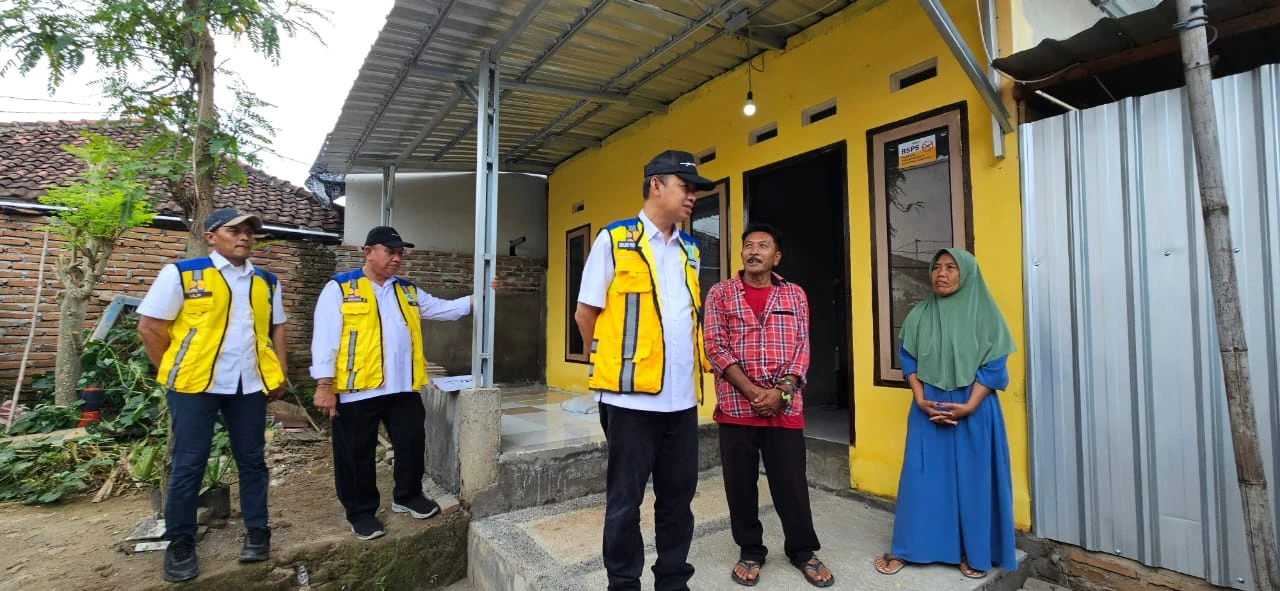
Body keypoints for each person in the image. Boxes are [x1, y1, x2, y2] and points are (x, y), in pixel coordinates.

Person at [574, 149, 714, 591]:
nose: (692, 197)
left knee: (678, 500)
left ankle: (672, 580)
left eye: (695, 191)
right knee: (625, 502)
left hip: (681, 400)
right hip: (629, 401)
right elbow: (585, 313)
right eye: (685, 187)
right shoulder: (614, 240)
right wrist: (611, 365)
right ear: (656, 185)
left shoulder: (691, 250)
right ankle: (623, 583)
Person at [137, 208, 288, 583]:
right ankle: (180, 541)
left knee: (252, 460)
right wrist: (174, 372)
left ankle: (257, 531)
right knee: (189, 463)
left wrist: (280, 373)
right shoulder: (182, 274)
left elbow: (277, 329)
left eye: (249, 231)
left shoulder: (266, 281)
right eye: (234, 230)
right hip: (194, 388)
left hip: (248, 386)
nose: (244, 237)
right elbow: (151, 327)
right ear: (210, 237)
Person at [310, 225, 488, 540]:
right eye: (390, 252)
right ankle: (360, 512)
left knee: (412, 444)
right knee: (356, 454)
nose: (396, 258)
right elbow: (325, 339)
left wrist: (481, 296)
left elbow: (444, 309)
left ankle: (407, 496)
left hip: (403, 387)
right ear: (368, 252)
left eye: (400, 254)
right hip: (357, 390)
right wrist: (325, 385)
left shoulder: (406, 291)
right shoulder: (340, 288)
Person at [873, 248, 1017, 579]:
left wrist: (969, 405)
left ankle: (972, 551)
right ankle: (909, 548)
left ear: (967, 274)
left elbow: (995, 366)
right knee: (922, 479)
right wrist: (921, 398)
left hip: (974, 406)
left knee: (973, 481)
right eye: (937, 267)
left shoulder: (985, 314)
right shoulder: (920, 314)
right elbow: (908, 359)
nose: (941, 273)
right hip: (928, 405)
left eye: (951, 267)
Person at [702, 222, 833, 587]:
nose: (754, 251)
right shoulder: (721, 293)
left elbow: (802, 348)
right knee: (740, 485)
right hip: (736, 408)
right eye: (748, 245)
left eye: (763, 245)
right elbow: (714, 346)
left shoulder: (794, 295)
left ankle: (802, 550)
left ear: (777, 257)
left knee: (791, 484)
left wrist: (780, 393)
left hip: (784, 408)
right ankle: (750, 550)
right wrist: (752, 392)